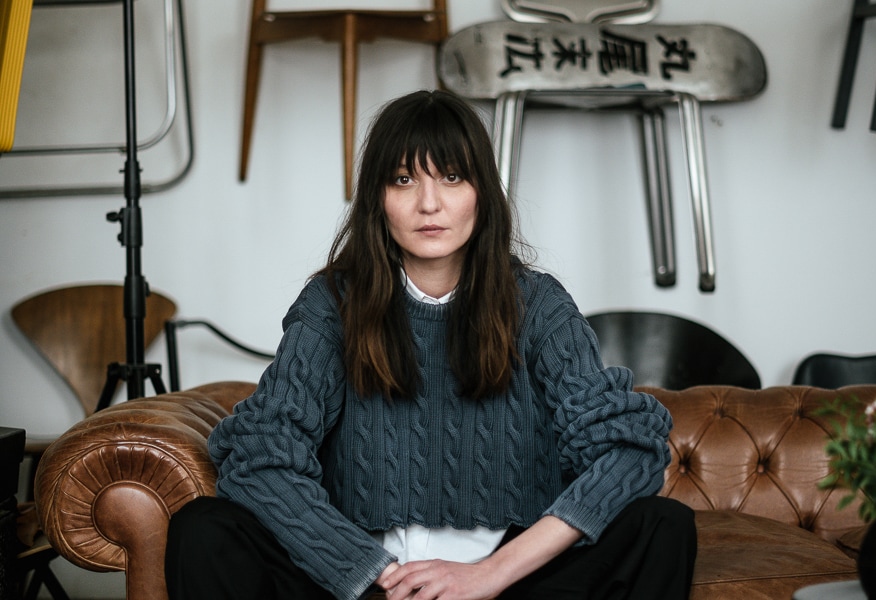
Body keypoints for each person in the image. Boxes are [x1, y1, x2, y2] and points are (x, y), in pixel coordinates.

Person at [165, 89, 697, 600]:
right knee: (204, 528)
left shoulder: (537, 304)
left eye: (451, 176)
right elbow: (260, 456)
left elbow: (628, 450)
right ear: (378, 197)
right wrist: (371, 571)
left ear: (482, 192)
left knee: (661, 526)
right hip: (360, 582)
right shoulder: (332, 303)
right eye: (402, 179)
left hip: (512, 582)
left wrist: (490, 575)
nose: (429, 203)